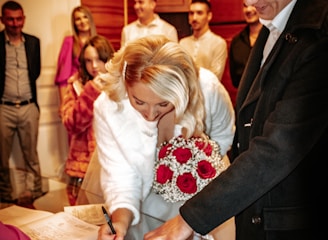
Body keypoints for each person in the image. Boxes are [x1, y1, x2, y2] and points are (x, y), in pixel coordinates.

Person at [144, 0, 328, 239]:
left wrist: (190, 218)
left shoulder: (318, 34)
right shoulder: (273, 25)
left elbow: (278, 147)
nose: (249, 3)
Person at [94, 35, 235, 240]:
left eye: (163, 103)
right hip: (146, 206)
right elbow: (120, 175)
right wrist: (119, 222)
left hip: (205, 199)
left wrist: (200, 170)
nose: (151, 115)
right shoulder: (109, 107)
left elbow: (223, 135)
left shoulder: (207, 87)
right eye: (139, 101)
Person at [60, 35, 115, 205]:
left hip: (113, 163)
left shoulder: (120, 85)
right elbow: (71, 124)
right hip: (82, 166)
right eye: (89, 61)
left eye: (99, 59)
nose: (95, 66)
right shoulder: (76, 85)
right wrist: (90, 92)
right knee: (82, 219)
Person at [0, 1, 43, 205]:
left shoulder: (33, 42)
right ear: (2, 20)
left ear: (23, 19)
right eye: (10, 18)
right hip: (3, 108)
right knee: (1, 158)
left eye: (19, 18)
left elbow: (36, 72)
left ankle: (38, 196)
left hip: (28, 106)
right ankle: (4, 199)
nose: (15, 23)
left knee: (32, 156)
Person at [54, 5, 97, 118]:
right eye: (78, 19)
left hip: (95, 92)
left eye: (85, 17)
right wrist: (64, 103)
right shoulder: (69, 42)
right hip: (75, 93)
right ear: (74, 23)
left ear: (90, 19)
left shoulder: (98, 41)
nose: (82, 21)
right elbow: (63, 77)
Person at [179, 0, 227, 81]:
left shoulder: (218, 43)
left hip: (209, 92)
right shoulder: (182, 43)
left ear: (209, 16)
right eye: (191, 13)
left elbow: (215, 77)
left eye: (199, 13)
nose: (194, 18)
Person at [229, 2, 262, 88]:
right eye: (245, 6)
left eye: (253, 5)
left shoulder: (273, 37)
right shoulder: (237, 41)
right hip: (244, 97)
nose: (248, 10)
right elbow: (235, 80)